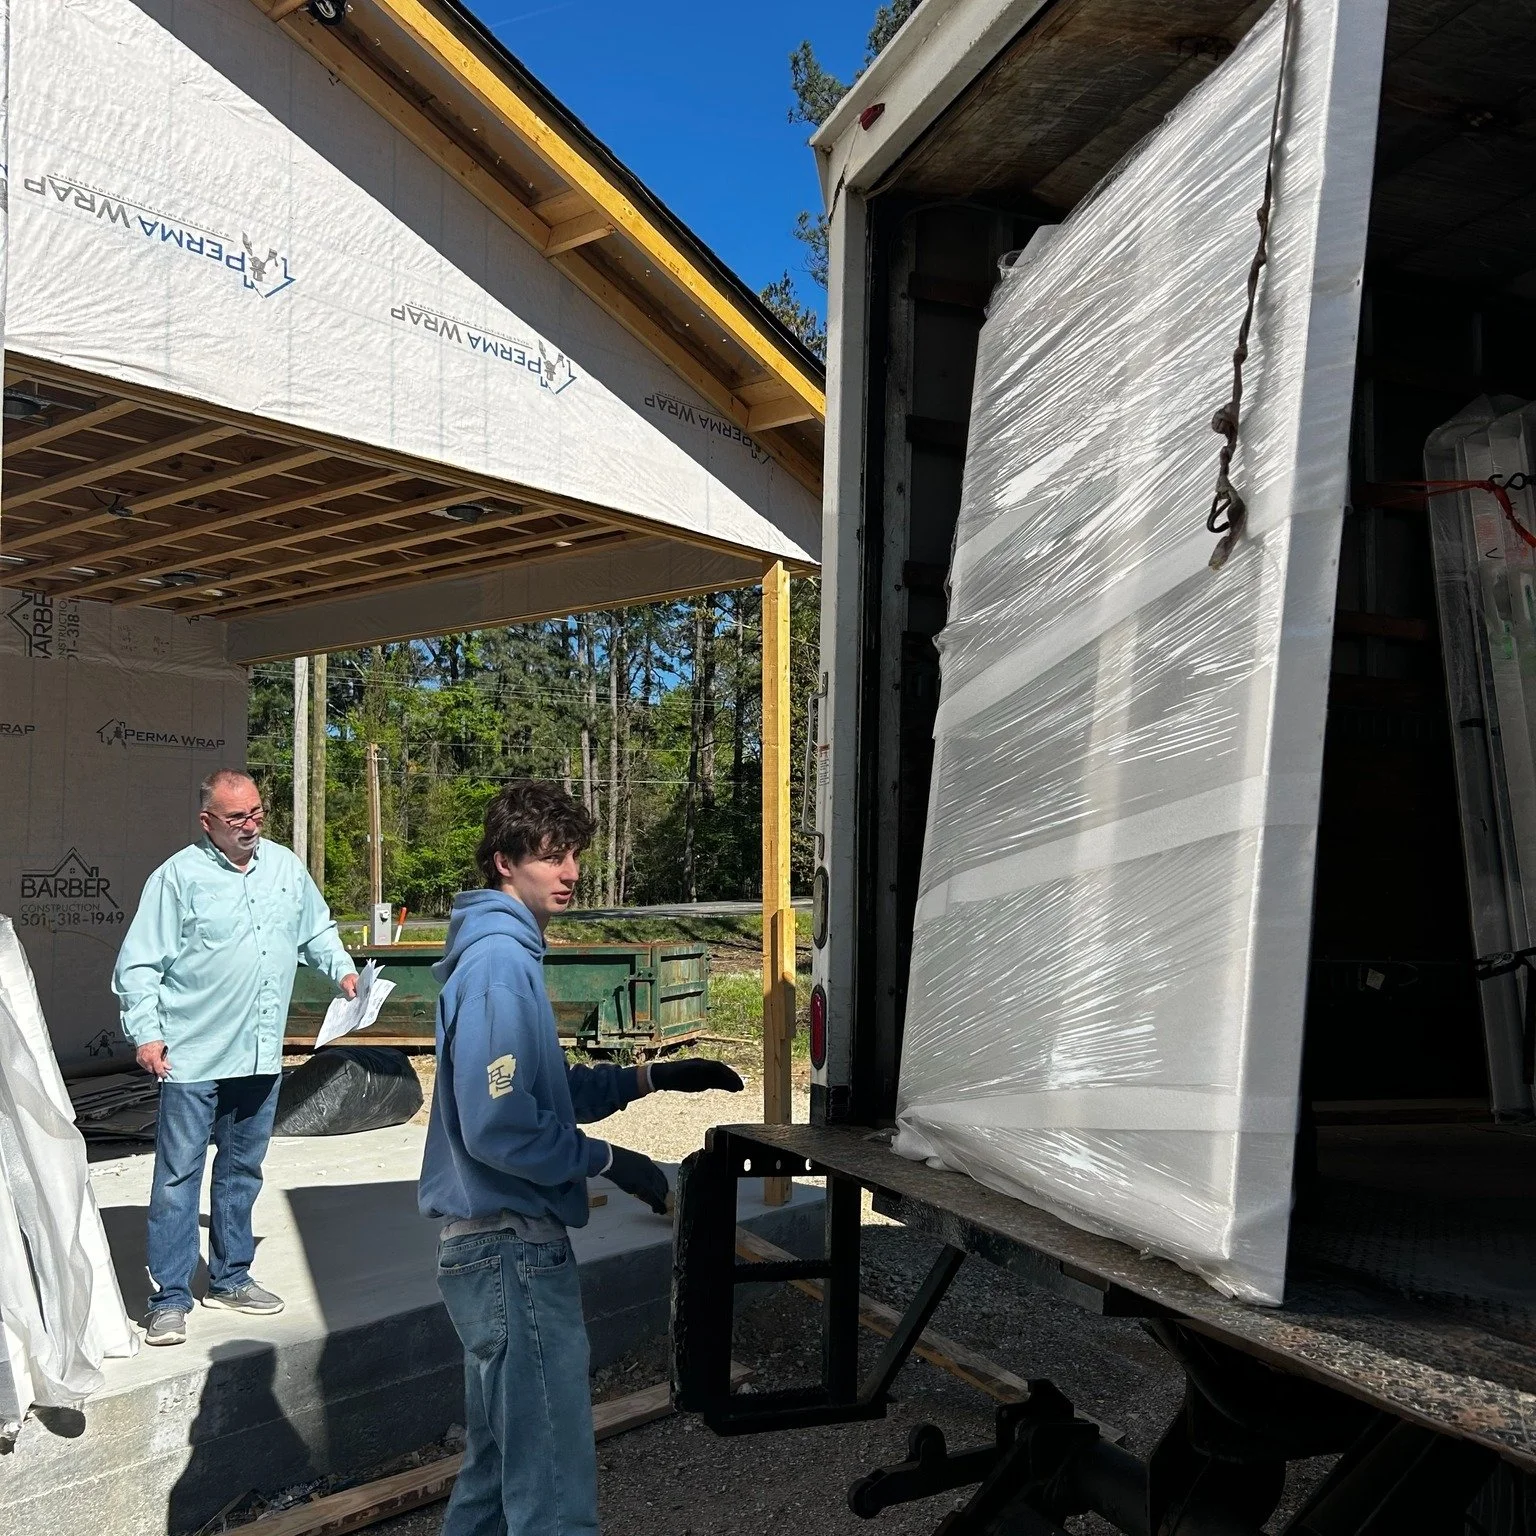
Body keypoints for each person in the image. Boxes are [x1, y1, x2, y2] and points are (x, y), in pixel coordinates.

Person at [420, 781, 743, 1536]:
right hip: (511, 1250)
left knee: (499, 1472)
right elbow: (500, 1124)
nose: (568, 872)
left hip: (492, 1251)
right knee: (553, 1483)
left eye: (573, 855)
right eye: (549, 857)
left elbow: (543, 1090)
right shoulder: (499, 964)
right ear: (504, 862)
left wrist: (648, 1078)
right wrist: (603, 1160)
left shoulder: (502, 955)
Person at [112, 768, 358, 1347]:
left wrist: (343, 971)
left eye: (256, 812)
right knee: (178, 1177)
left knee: (242, 1170)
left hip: (258, 1053)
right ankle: (169, 1298)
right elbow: (139, 964)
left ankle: (230, 1278)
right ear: (208, 822)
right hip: (192, 1055)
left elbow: (316, 931)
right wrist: (146, 1033)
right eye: (237, 817)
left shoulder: (284, 868)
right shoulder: (177, 878)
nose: (251, 825)